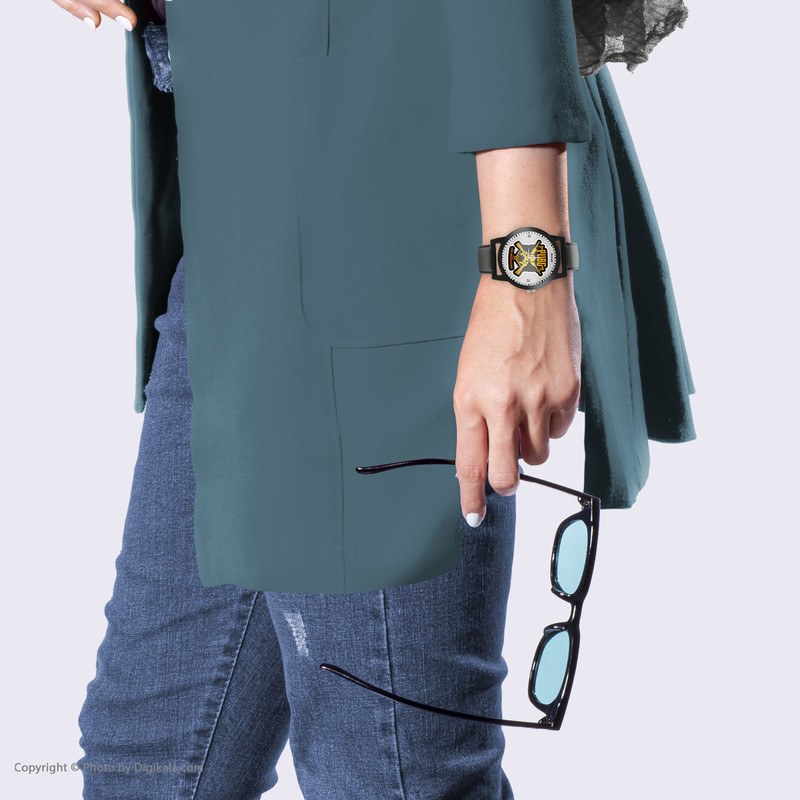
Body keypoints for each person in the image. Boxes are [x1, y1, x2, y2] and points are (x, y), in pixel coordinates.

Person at [54, 0, 695, 797]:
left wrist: (524, 266)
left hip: (384, 204)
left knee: (391, 768)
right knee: (149, 757)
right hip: (248, 202)